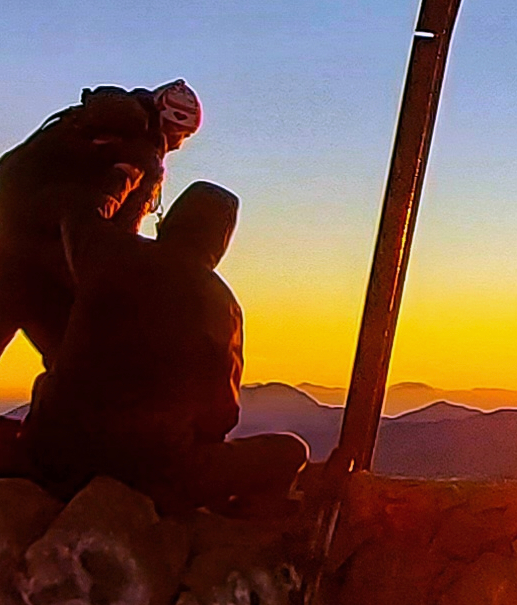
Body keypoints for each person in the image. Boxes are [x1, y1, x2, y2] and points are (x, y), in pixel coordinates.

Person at [0, 79, 202, 463]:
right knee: (75, 372)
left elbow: (8, 168)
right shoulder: (141, 155)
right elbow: (114, 226)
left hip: (4, 259)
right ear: (173, 128)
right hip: (58, 275)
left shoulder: (76, 126)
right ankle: (56, 463)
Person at [22, 182, 307, 512]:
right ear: (220, 243)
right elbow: (221, 413)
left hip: (52, 457)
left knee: (49, 384)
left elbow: (78, 215)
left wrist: (126, 180)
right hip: (150, 474)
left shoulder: (109, 251)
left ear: (169, 221)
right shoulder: (221, 304)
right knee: (291, 451)